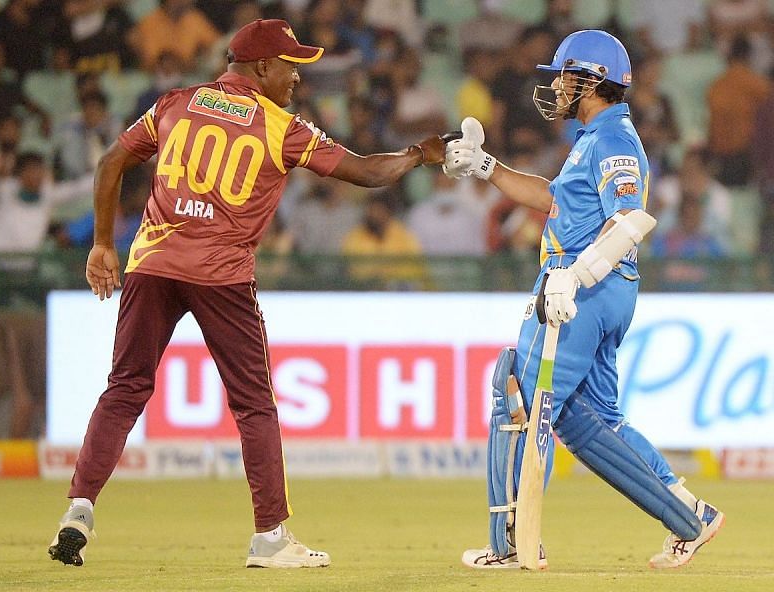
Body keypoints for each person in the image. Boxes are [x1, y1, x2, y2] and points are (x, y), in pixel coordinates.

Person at [47, 18, 446, 569]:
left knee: (125, 387)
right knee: (254, 404)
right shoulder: (280, 126)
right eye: (291, 66)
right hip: (221, 275)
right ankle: (270, 537)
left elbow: (112, 160)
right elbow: (367, 174)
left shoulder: (174, 104)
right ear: (261, 66)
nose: (296, 79)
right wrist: (421, 155)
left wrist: (100, 246)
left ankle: (79, 509)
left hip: (152, 262)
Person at [443, 30, 725, 570]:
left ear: (592, 80)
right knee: (591, 421)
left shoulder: (613, 141)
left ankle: (510, 543)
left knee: (518, 398)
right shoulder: (596, 137)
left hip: (584, 287)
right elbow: (553, 200)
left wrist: (572, 277)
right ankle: (689, 515)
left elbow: (629, 221)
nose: (557, 87)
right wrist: (486, 168)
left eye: (566, 77)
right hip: (601, 289)